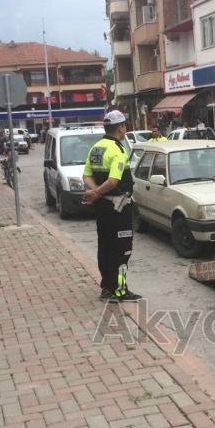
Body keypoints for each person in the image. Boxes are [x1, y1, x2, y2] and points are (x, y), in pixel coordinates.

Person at [82, 110, 141, 302]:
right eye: (124, 126)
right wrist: (97, 192)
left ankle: (107, 288)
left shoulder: (96, 148)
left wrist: (94, 192)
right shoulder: (118, 150)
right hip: (119, 209)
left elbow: (86, 175)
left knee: (105, 248)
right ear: (120, 128)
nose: (125, 129)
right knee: (123, 250)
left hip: (102, 210)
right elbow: (114, 181)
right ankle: (120, 290)